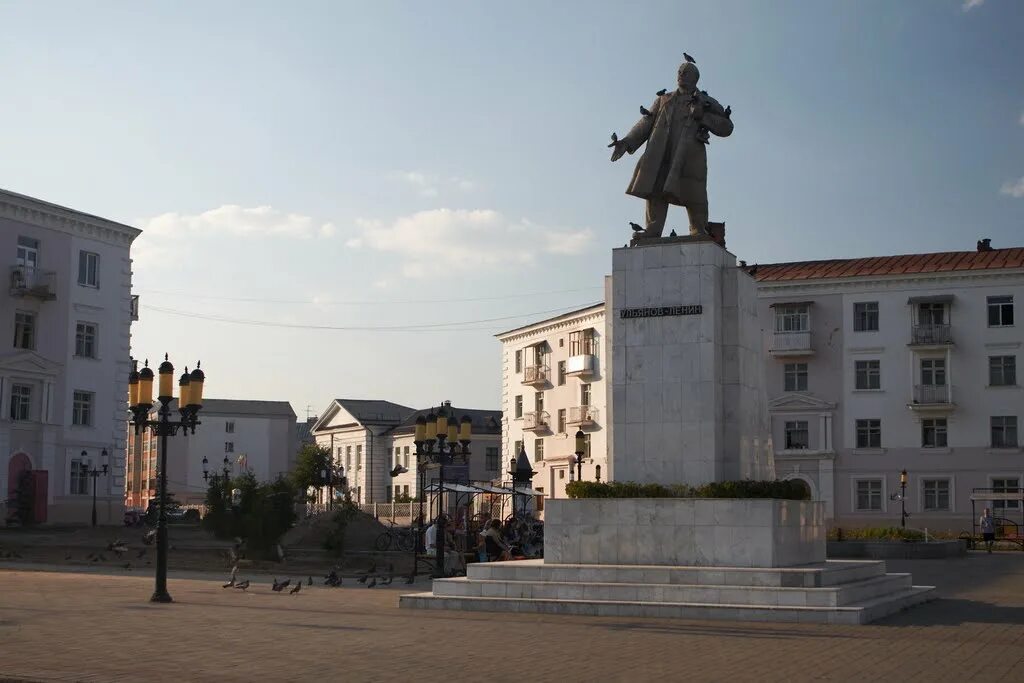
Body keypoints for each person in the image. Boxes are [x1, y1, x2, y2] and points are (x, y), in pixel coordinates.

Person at [609, 58, 733, 239]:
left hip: (690, 154)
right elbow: (646, 123)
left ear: (695, 79)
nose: (681, 75)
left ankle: (698, 228)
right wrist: (626, 142)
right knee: (656, 189)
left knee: (694, 191)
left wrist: (703, 117)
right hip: (661, 152)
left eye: (686, 72)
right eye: (679, 72)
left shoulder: (707, 101)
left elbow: (727, 127)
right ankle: (652, 229)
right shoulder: (663, 100)